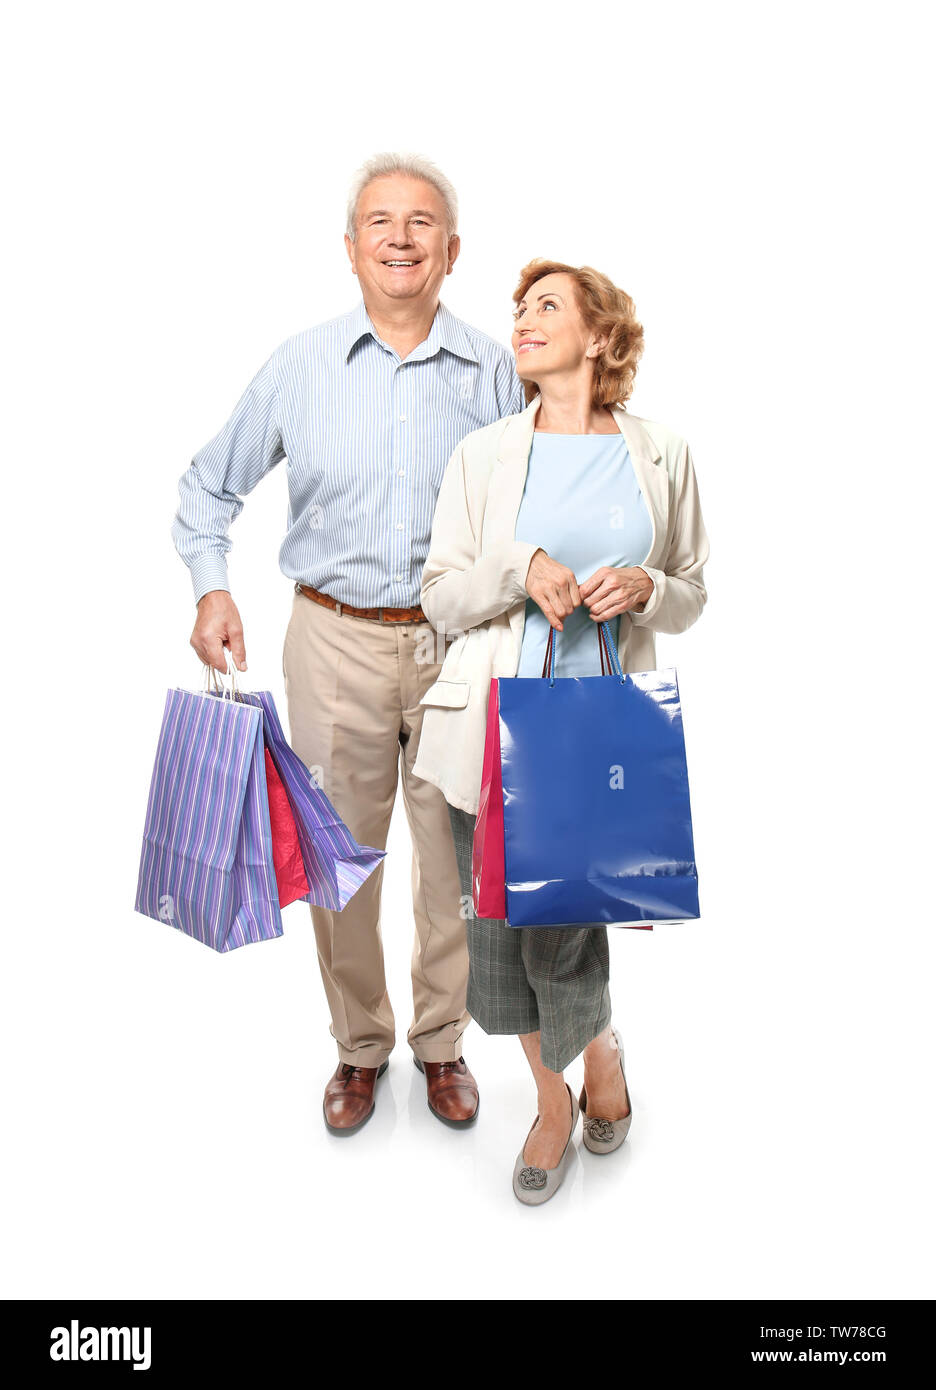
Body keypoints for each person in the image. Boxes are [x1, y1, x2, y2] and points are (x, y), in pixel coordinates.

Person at [172, 153, 525, 1135]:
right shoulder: (301, 366)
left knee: (453, 867)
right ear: (351, 247)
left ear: (451, 251)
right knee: (344, 865)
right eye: (381, 221)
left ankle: (442, 1044)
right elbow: (208, 489)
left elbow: (534, 510)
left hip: (461, 649)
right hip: (332, 643)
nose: (401, 237)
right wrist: (212, 590)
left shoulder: (496, 369)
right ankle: (359, 1047)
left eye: (422, 223)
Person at [414, 259, 710, 1201]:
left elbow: (693, 587)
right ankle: (570, 1084)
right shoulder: (485, 454)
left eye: (549, 307)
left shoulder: (659, 453)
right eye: (519, 309)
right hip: (495, 733)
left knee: (567, 933)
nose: (525, 320)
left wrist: (649, 590)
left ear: (598, 337)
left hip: (601, 734)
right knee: (501, 937)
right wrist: (521, 565)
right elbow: (439, 597)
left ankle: (583, 1082)